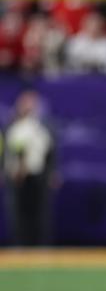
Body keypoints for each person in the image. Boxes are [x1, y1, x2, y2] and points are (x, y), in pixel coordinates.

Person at [3, 90, 55, 246]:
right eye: (24, 103)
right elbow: (7, 152)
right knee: (18, 213)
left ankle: (41, 246)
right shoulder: (11, 127)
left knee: (39, 213)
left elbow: (51, 152)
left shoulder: (42, 127)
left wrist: (52, 172)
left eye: (30, 103)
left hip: (37, 175)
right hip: (16, 176)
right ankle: (21, 245)